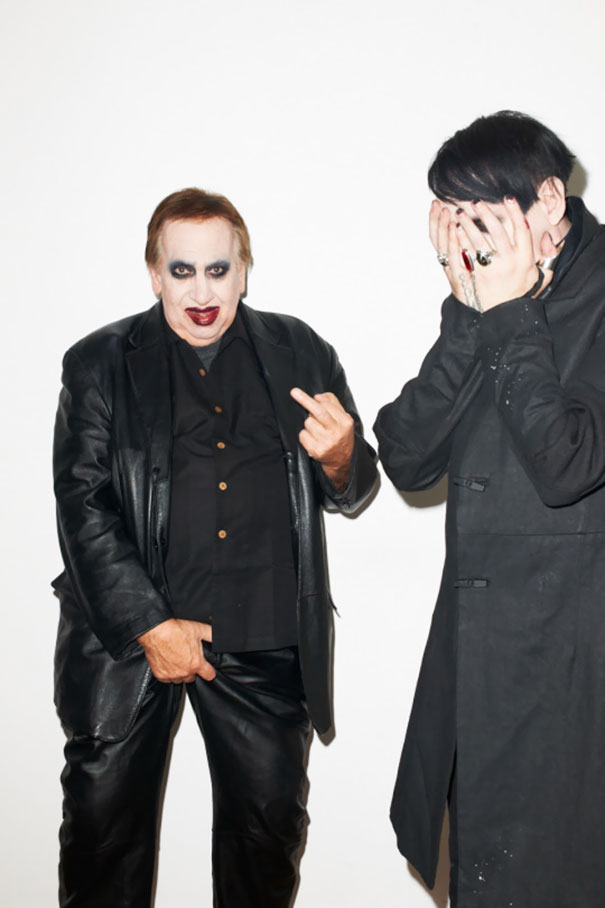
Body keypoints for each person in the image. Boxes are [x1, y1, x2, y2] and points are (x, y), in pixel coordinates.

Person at [52, 187, 377, 907]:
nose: (201, 293)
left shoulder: (300, 351)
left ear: (244, 269)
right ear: (153, 273)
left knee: (266, 844)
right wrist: (150, 625)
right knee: (103, 844)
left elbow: (353, 488)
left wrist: (340, 457)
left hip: (263, 638)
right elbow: (81, 504)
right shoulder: (99, 363)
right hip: (125, 642)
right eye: (182, 271)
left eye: (218, 270)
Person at [374, 111, 605, 907]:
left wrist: (506, 312)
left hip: (577, 662)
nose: (465, 238)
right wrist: (472, 315)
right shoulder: (488, 293)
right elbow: (405, 454)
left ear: (548, 201)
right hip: (481, 660)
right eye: (450, 217)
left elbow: (565, 464)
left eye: (481, 215)